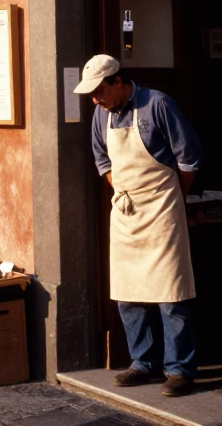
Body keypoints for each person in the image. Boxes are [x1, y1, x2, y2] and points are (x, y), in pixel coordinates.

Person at [74, 54, 203, 397]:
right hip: (126, 211)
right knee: (127, 290)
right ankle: (142, 363)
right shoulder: (100, 115)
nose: (94, 99)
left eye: (99, 91)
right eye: (91, 94)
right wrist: (123, 190)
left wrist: (171, 194)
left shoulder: (158, 104)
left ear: (118, 81)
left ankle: (179, 370)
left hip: (162, 209)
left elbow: (188, 158)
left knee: (171, 291)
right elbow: (102, 160)